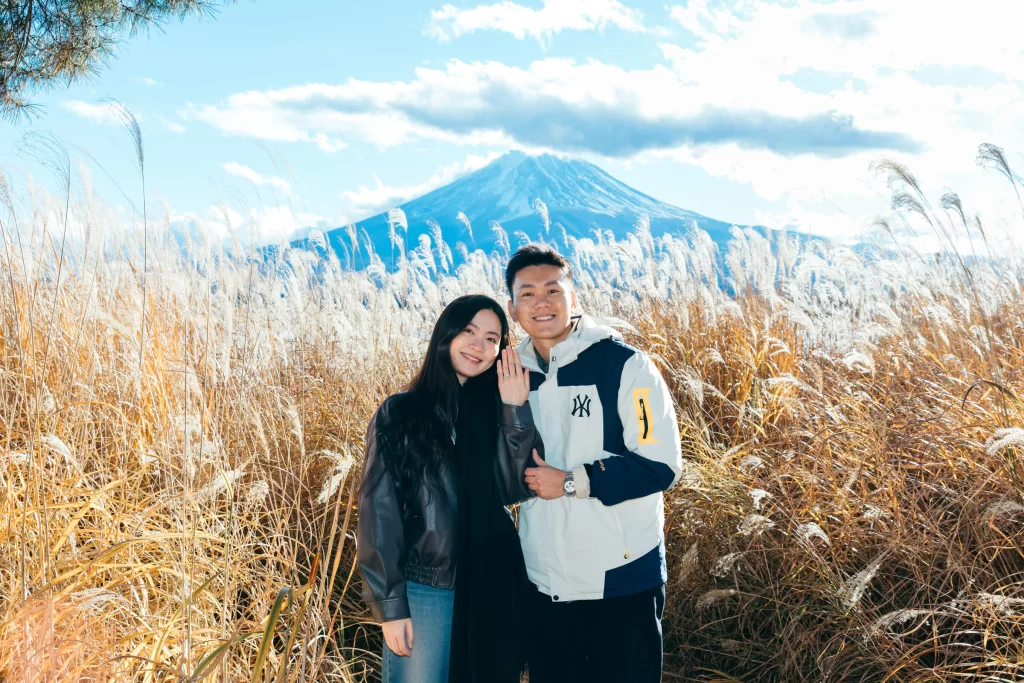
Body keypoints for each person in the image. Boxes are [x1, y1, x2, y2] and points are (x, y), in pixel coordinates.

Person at [504, 245, 684, 683]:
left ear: (575, 298)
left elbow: (661, 465)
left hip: (622, 577)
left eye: (552, 289)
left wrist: (571, 481)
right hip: (545, 581)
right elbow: (501, 476)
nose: (541, 302)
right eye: (527, 294)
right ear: (512, 308)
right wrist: (511, 409)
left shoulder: (625, 365)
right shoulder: (509, 375)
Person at [356, 294, 542, 683]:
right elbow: (379, 512)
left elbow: (513, 487)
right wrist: (391, 605)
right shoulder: (401, 412)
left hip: (491, 580)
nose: (479, 345)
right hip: (428, 585)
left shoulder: (497, 407)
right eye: (469, 331)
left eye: (492, 338)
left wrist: (514, 410)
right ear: (446, 333)